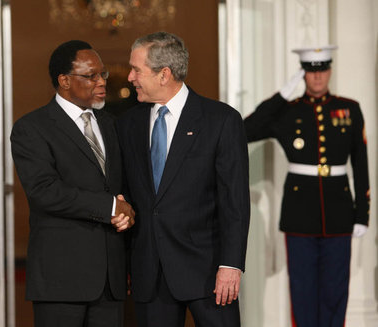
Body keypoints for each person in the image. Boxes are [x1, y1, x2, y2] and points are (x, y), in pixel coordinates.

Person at [117, 31, 250, 327]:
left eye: (136, 69)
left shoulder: (220, 120)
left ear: (164, 74)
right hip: (150, 273)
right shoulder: (128, 124)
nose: (129, 77)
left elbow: (235, 201)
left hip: (209, 271)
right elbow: (126, 191)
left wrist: (231, 265)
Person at [10, 40, 135, 327]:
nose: (102, 81)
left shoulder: (112, 124)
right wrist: (111, 206)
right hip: (61, 280)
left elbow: (123, 187)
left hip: (110, 282)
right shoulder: (32, 128)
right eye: (91, 75)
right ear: (64, 81)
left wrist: (129, 211)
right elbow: (45, 191)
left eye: (102, 74)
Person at [244, 45, 370, 327]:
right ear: (303, 74)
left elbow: (360, 164)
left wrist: (362, 214)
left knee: (336, 290)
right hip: (299, 214)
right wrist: (279, 98)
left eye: (322, 69)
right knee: (302, 291)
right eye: (311, 71)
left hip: (339, 212)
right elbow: (243, 131)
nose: (317, 77)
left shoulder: (349, 109)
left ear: (330, 71)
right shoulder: (286, 111)